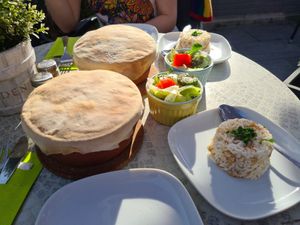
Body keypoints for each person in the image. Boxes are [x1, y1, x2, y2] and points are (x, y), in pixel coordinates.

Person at [44, 0, 177, 34]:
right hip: (113, 48)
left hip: (159, 42)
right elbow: (68, 24)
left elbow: (168, 18)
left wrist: (124, 36)